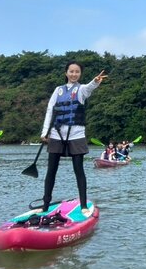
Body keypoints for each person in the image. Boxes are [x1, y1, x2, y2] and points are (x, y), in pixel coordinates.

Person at [39, 62, 107, 217]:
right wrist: (45, 132)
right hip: (57, 134)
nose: (74, 74)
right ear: (66, 73)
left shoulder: (81, 90)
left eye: (77, 72)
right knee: (51, 171)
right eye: (71, 71)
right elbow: (50, 110)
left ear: (80, 74)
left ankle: (83, 205)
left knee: (79, 170)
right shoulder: (58, 90)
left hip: (76, 135)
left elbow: (89, 88)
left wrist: (95, 81)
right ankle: (45, 204)